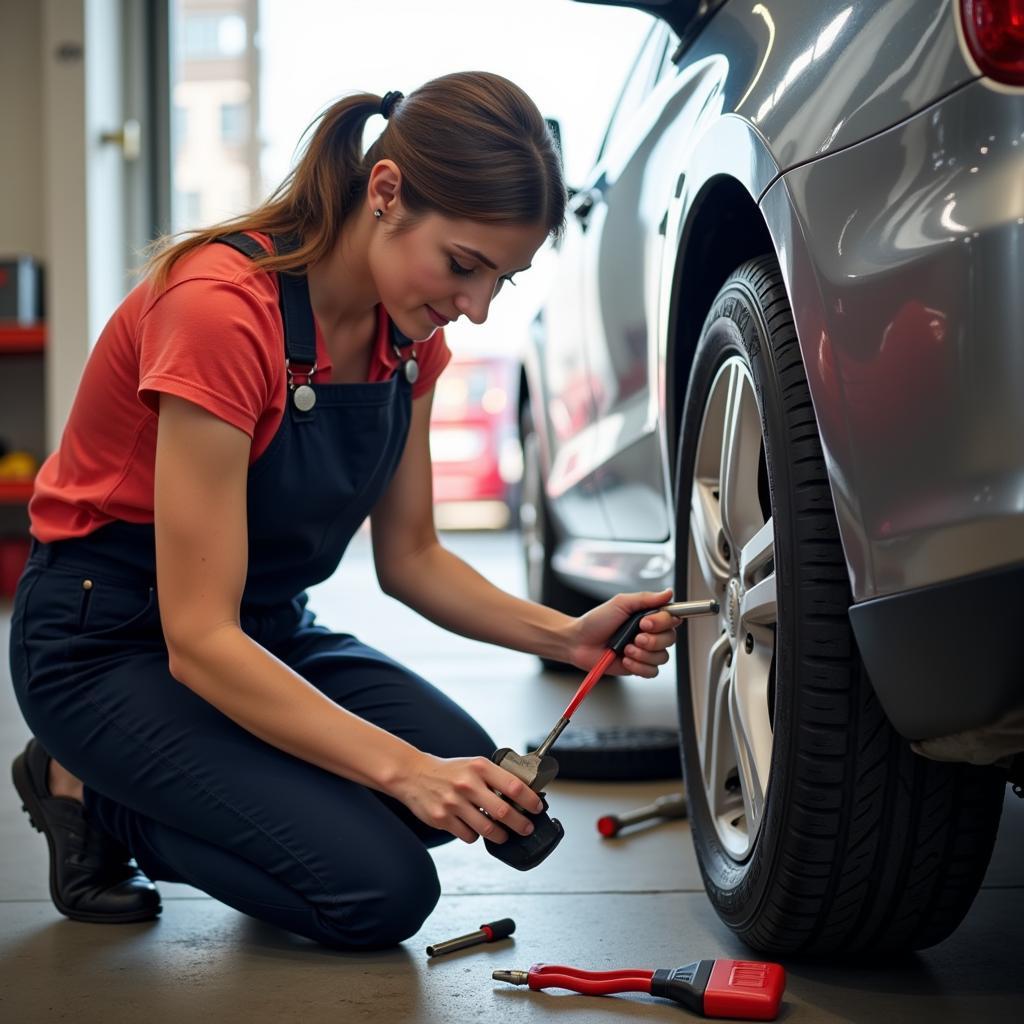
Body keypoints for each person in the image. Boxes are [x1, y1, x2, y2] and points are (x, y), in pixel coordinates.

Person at [9, 72, 682, 949]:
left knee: (461, 785)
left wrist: (566, 636)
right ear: (387, 192)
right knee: (378, 891)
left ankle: (221, 787)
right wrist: (404, 771)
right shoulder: (221, 312)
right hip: (109, 640)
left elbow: (411, 557)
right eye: (464, 266)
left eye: (502, 283)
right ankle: (91, 795)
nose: (474, 309)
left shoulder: (410, 339)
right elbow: (199, 638)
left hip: (264, 627)